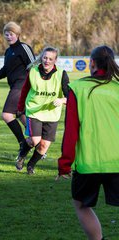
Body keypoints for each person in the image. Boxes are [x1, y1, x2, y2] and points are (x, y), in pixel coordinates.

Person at [57, 45, 119, 239]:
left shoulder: (77, 88)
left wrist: (65, 163)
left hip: (88, 163)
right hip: (117, 161)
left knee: (81, 205)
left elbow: (71, 131)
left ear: (91, 63)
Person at [16, 46, 69, 174]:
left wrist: (62, 100)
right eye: (45, 57)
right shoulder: (33, 71)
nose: (47, 61)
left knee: (44, 145)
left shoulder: (61, 74)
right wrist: (20, 108)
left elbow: (69, 96)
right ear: (41, 58)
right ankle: (22, 155)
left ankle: (31, 165)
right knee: (34, 140)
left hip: (52, 114)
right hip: (34, 111)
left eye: (50, 59)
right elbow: (24, 91)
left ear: (55, 60)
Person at [0, 21, 35, 151]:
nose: (8, 37)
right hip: (14, 85)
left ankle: (23, 144)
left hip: (22, 85)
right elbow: (6, 69)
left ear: (18, 34)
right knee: (21, 115)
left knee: (7, 115)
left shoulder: (24, 48)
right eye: (6, 34)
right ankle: (38, 143)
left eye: (11, 34)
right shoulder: (8, 51)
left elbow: (34, 65)